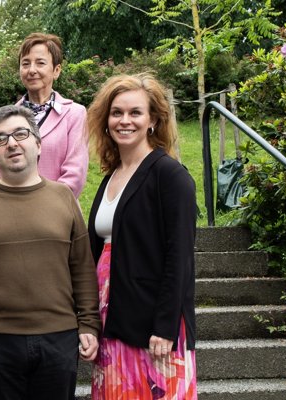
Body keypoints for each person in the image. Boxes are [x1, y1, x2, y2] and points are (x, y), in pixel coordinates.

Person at [0, 105, 100, 399]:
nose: (12, 143)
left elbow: (81, 266)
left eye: (20, 133)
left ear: (39, 143)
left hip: (59, 337)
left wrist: (89, 323)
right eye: (0, 139)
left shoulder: (64, 198)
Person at [86, 73, 197, 399]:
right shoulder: (111, 177)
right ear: (106, 121)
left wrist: (164, 328)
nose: (124, 120)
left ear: (153, 120)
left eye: (135, 113)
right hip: (112, 318)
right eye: (116, 112)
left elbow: (180, 257)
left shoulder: (170, 175)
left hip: (153, 324)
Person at [0, 32, 88, 197]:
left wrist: (40, 205)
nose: (31, 70)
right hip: (9, 210)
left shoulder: (74, 114)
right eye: (25, 63)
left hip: (57, 212)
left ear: (56, 70)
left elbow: (75, 173)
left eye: (40, 63)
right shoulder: (4, 116)